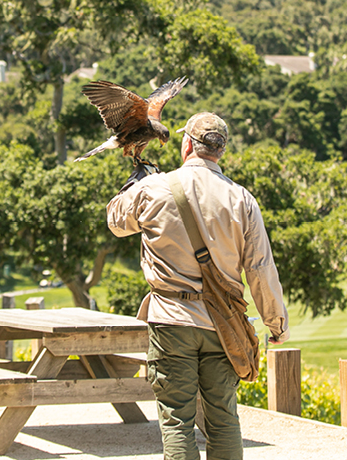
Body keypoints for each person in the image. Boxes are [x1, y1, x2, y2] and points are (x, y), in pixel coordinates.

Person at [106, 112, 289, 460]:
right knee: (223, 419)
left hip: (171, 317)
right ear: (219, 151)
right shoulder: (242, 199)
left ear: (186, 143)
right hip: (222, 323)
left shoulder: (154, 187)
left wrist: (136, 180)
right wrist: (275, 324)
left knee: (176, 421)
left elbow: (115, 221)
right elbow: (261, 269)